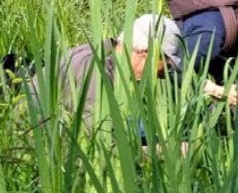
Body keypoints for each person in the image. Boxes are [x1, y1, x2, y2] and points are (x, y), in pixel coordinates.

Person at [38, 14, 181, 125]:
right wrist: (169, 151)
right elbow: (103, 145)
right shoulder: (95, 72)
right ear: (146, 53)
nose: (160, 75)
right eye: (165, 66)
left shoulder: (103, 53)